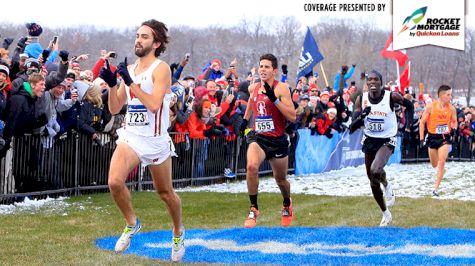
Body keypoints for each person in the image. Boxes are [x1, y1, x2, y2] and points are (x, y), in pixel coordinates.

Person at [100, 19, 185, 262]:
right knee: (115, 182)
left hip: (156, 140)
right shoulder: (131, 69)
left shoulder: (161, 69)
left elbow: (154, 104)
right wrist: (113, 83)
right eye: (137, 35)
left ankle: (178, 231)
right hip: (132, 136)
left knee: (166, 193)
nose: (139, 39)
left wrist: (128, 82)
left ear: (156, 43)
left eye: (145, 36)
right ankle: (132, 223)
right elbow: (116, 108)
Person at [349, 70, 414, 227]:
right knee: (372, 179)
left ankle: (385, 184)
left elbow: (410, 106)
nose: (372, 82)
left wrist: (407, 128)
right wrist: (362, 116)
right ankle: (386, 212)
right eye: (369, 80)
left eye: (375, 80)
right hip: (370, 139)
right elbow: (352, 126)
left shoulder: (391, 96)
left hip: (387, 138)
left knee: (375, 170)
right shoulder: (361, 99)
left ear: (381, 82)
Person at [240, 53, 296, 228]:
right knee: (251, 167)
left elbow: (292, 116)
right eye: (261, 66)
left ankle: (287, 203)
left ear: (275, 71)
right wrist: (244, 120)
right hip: (259, 138)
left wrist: (274, 99)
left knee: (280, 179)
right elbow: (251, 101)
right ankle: (253, 208)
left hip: (278, 140)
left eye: (267, 67)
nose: (262, 70)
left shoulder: (282, 89)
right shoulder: (253, 88)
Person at [418, 85, 457, 197]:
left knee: (442, 161)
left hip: (444, 138)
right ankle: (440, 171)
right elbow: (422, 122)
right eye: (448, 94)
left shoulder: (452, 108)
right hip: (432, 138)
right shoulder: (431, 107)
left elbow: (454, 121)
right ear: (441, 96)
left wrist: (454, 128)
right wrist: (421, 138)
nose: (450, 97)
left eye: (450, 94)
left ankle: (436, 189)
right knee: (434, 164)